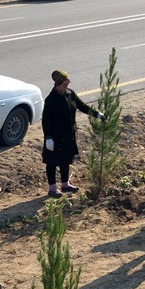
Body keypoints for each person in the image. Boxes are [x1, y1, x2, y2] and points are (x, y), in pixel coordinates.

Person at [41, 70, 104, 198]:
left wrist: (97, 114)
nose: (66, 87)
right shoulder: (51, 100)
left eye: (67, 84)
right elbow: (45, 120)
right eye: (64, 85)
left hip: (68, 134)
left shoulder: (70, 94)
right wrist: (48, 138)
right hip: (55, 136)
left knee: (65, 159)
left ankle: (65, 184)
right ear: (57, 85)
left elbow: (82, 106)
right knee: (52, 162)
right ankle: (52, 188)